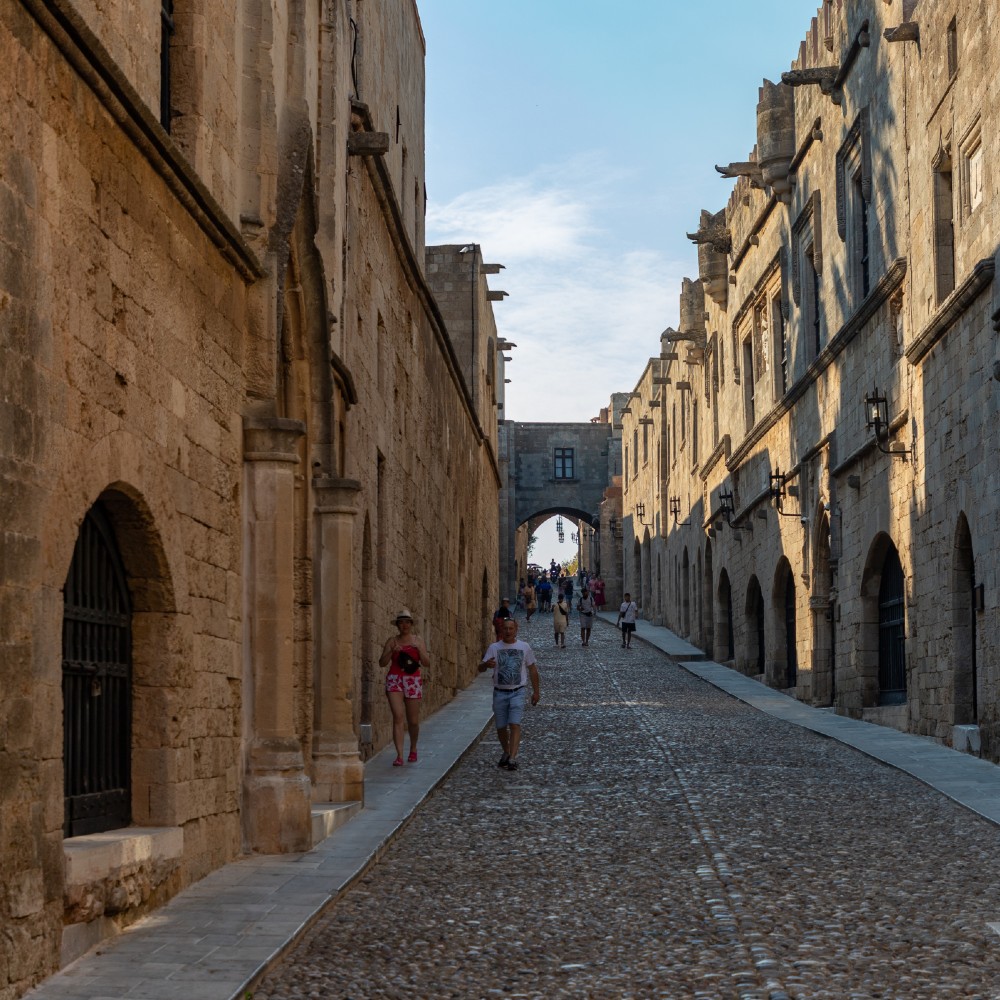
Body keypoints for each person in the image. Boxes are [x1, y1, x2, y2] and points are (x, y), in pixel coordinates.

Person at [479, 618, 540, 771]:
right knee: (500, 727)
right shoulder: (494, 648)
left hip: (517, 692)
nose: (508, 631)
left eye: (511, 628)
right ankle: (506, 751)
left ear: (516, 629)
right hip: (499, 693)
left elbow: (532, 669)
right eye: (505, 628)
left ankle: (512, 758)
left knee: (514, 724)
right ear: (501, 630)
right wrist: (486, 665)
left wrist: (536, 692)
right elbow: (480, 668)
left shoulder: (524, 647)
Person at [379, 609, 429, 766]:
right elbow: (382, 662)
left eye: (407, 622)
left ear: (411, 624)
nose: (404, 625)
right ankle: (399, 755)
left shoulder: (418, 640)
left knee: (413, 720)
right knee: (398, 717)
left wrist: (419, 649)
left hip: (412, 680)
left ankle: (413, 748)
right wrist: (391, 652)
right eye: (401, 622)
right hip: (395, 679)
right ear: (398, 625)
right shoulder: (392, 641)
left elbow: (427, 663)